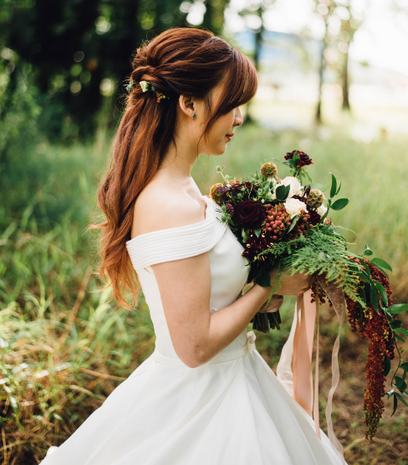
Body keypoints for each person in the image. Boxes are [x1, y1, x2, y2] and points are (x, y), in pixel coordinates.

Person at [41, 27, 345, 465]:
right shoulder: (167, 204)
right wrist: (269, 280)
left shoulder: (185, 188)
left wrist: (274, 275)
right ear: (189, 104)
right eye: (233, 103)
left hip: (238, 375)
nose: (239, 118)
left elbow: (212, 296)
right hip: (201, 399)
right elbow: (195, 346)